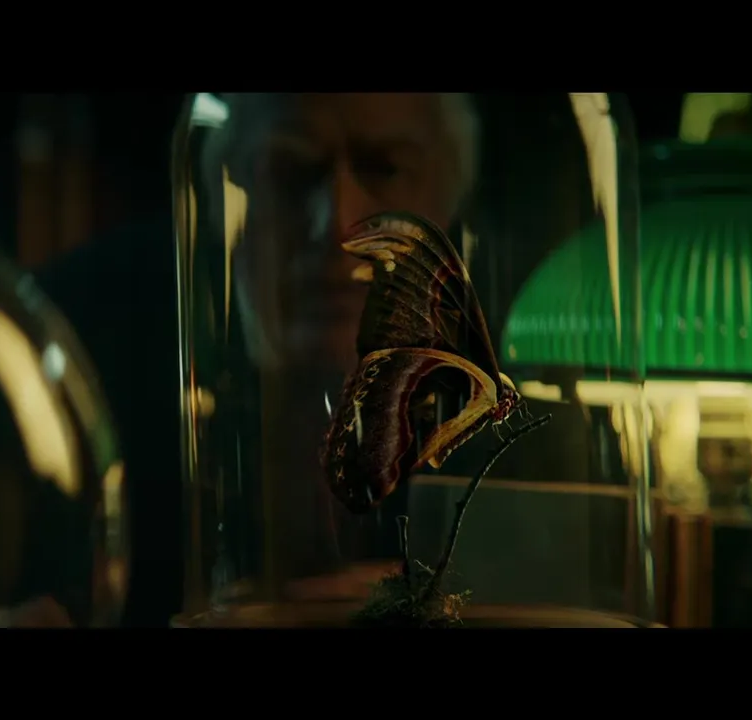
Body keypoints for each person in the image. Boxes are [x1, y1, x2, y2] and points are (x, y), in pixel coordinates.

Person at [36, 93, 483, 620]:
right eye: (288, 174)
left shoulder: (515, 407)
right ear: (223, 198)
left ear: (449, 199)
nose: (339, 224)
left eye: (386, 169)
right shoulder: (76, 349)